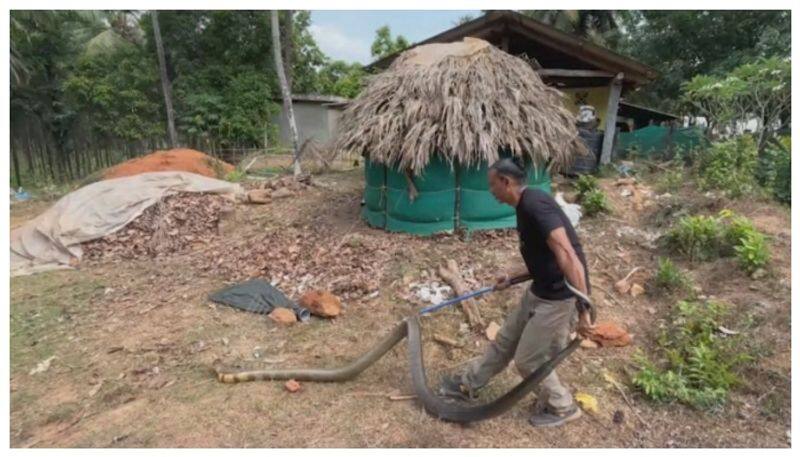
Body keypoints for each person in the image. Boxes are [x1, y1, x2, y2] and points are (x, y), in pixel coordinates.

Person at [438, 156, 595, 428]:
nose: (490, 191)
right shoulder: (524, 207)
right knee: (504, 341)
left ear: (505, 182)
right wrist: (511, 278)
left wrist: (584, 309)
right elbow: (542, 259)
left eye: (492, 185)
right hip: (539, 291)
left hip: (559, 299)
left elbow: (568, 254)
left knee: (529, 360)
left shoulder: (535, 204)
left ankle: (562, 406)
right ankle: (468, 385)